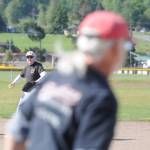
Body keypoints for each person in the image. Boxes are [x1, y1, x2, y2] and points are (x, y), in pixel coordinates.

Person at [4, 11, 132, 150]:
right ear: (112, 49)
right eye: (124, 46)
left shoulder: (56, 77)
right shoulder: (100, 97)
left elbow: (15, 132)